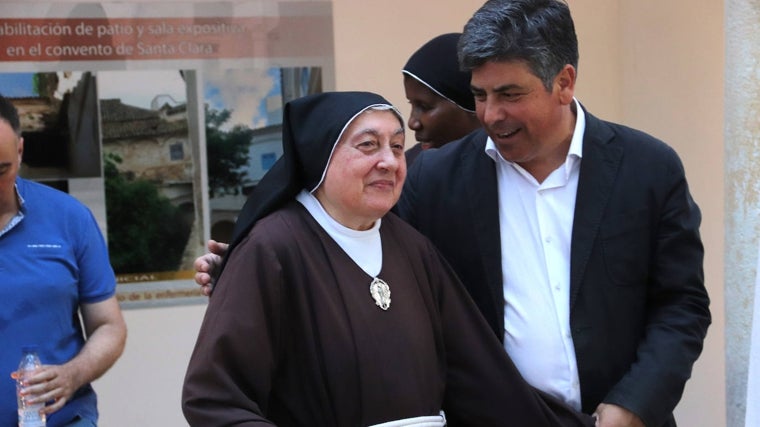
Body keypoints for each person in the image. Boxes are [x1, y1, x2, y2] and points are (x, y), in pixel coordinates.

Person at [182, 91, 596, 427]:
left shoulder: (413, 249)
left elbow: (481, 376)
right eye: (368, 145)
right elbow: (214, 399)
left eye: (397, 147)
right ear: (320, 154)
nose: (389, 160)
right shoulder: (273, 249)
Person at [394, 1, 711, 426]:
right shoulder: (434, 182)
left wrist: (634, 404)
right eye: (480, 95)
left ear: (564, 82)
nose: (490, 115)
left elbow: (681, 305)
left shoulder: (649, 168)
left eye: (510, 94)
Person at [193, 32, 481, 293]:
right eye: (367, 145)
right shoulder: (410, 171)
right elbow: (354, 242)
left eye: (426, 106)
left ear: (474, 104)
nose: (413, 122)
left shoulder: (513, 168)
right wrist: (255, 267)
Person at [0, 94, 127, 426]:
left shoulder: (69, 218)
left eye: (2, 170)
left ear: (21, 151)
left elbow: (109, 326)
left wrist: (73, 374)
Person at [402, 32, 481, 164]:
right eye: (412, 104)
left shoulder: (510, 169)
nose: (412, 123)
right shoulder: (409, 168)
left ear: (474, 108)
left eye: (424, 107)